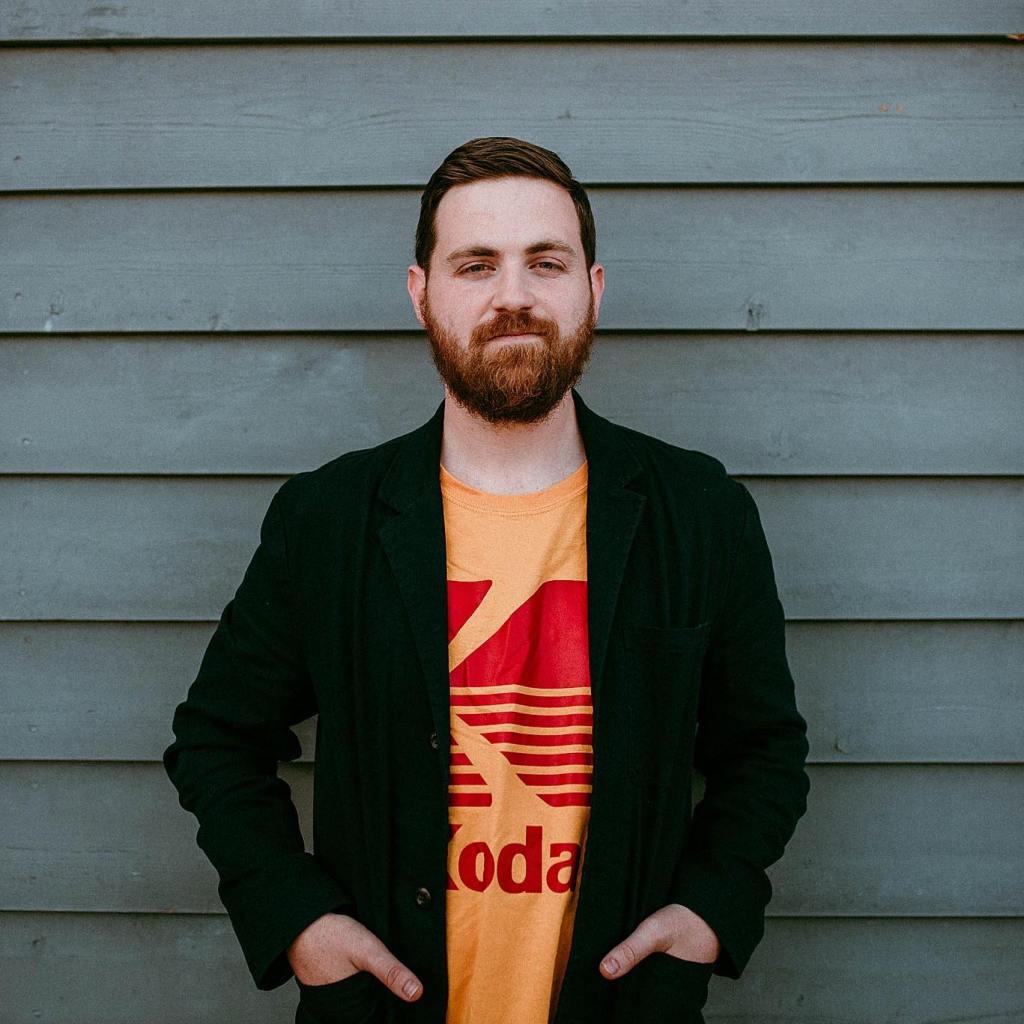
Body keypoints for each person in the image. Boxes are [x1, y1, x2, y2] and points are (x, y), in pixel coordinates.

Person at [163, 136, 811, 1024]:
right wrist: (298, 918)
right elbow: (216, 739)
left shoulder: (699, 513)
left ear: (593, 289)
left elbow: (764, 753)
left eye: (546, 262)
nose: (514, 295)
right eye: (476, 265)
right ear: (421, 293)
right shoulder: (328, 520)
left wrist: (708, 912)